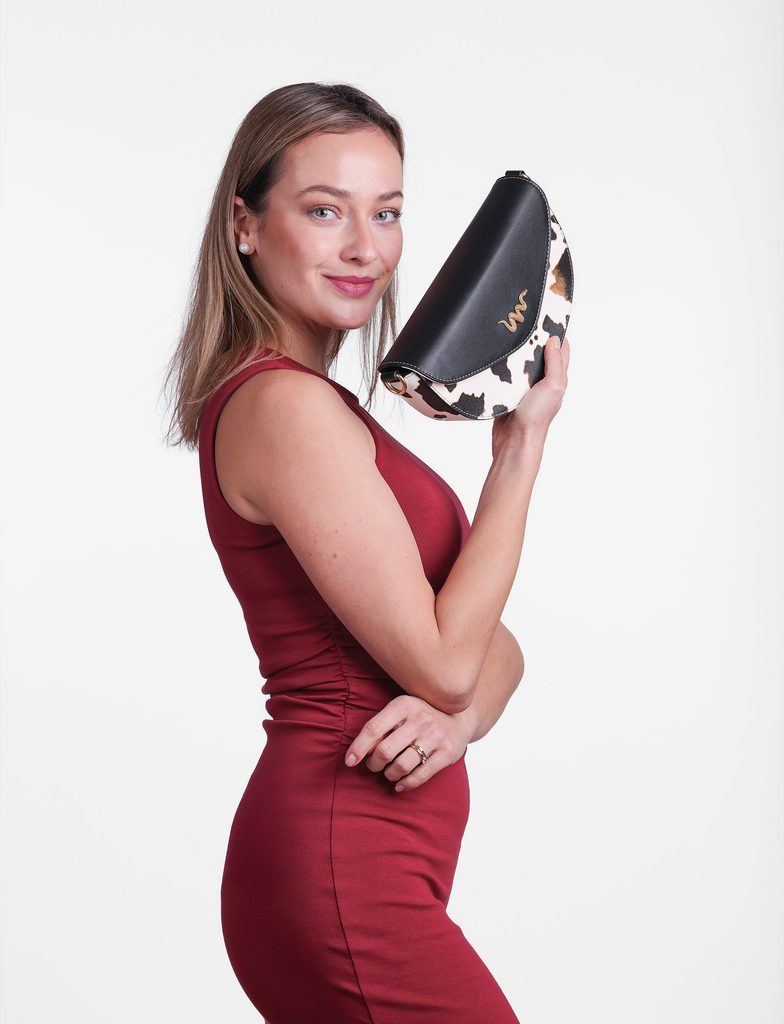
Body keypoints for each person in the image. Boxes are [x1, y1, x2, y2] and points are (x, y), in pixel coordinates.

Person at [162, 81, 569, 1024]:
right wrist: (519, 452)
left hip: (371, 865)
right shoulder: (284, 408)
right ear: (245, 226)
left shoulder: (327, 412)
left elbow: (495, 651)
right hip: (347, 868)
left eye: (386, 212)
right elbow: (447, 660)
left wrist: (455, 722)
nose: (364, 248)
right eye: (323, 210)